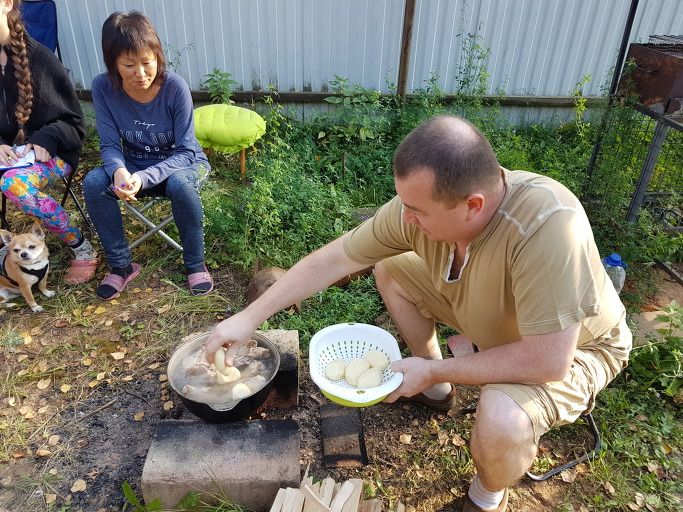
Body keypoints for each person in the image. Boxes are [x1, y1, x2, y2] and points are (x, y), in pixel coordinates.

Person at [203, 115, 632, 512]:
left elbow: (547, 361)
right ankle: (438, 388)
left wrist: (435, 369)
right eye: (404, 204)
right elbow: (336, 258)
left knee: (501, 415)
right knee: (391, 268)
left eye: (418, 211)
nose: (405, 218)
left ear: (473, 205)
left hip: (577, 349)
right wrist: (250, 318)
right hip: (491, 314)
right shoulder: (420, 211)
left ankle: (486, 496)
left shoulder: (547, 227)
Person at [83, 10, 212, 300]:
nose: (140, 73)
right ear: (113, 64)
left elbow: (186, 151)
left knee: (181, 185)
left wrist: (142, 177)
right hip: (134, 165)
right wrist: (119, 172)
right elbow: (109, 145)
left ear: (158, 57)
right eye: (129, 65)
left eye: (147, 62)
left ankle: (194, 263)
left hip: (185, 165)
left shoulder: (175, 87)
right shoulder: (103, 87)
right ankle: (121, 266)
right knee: (94, 183)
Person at [0, 0, 97, 284]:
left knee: (14, 184)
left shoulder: (41, 60)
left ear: (6, 4)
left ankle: (81, 246)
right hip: (7, 157)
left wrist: (46, 137)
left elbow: (75, 124)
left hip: (53, 155)